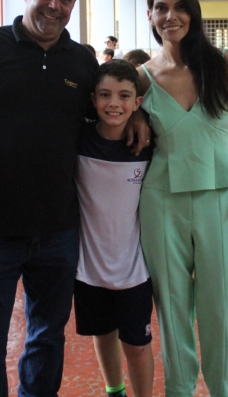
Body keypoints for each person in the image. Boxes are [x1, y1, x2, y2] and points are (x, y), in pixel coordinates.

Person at [0, 0, 150, 397]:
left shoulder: (81, 60)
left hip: (58, 230)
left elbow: (108, 106)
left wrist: (139, 117)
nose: (55, 6)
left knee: (47, 338)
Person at [137, 0, 228, 397]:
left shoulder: (223, 63)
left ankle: (222, 390)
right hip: (160, 203)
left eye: (179, 6)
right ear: (150, 15)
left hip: (219, 201)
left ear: (193, 12)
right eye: (161, 7)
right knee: (171, 307)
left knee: (220, 305)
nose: (170, 16)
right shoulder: (142, 77)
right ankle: (179, 389)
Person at [74, 60, 154, 397]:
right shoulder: (78, 141)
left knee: (137, 345)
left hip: (134, 272)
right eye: (105, 95)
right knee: (103, 333)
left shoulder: (147, 145)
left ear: (137, 102)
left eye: (124, 96)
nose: (114, 104)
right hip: (89, 271)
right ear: (93, 99)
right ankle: (114, 390)